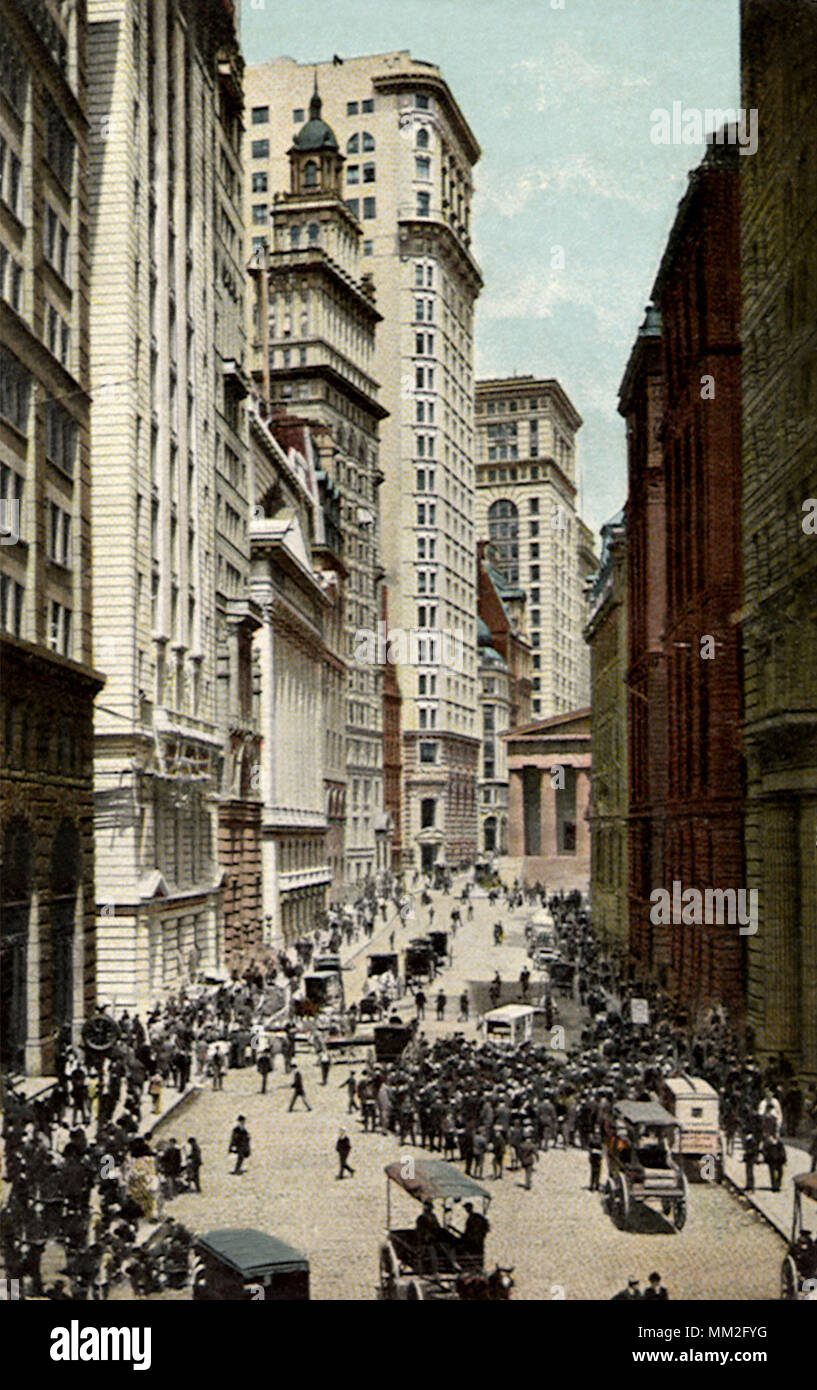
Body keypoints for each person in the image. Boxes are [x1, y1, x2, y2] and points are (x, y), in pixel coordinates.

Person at [415, 1198, 442, 1275]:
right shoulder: (421, 1218)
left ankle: (434, 1271)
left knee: (434, 1253)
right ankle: (424, 1272)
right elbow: (419, 1230)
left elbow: (437, 1227)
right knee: (424, 1255)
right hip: (424, 1241)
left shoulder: (433, 1217)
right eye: (427, 1206)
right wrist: (424, 1237)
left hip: (432, 1239)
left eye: (429, 1207)